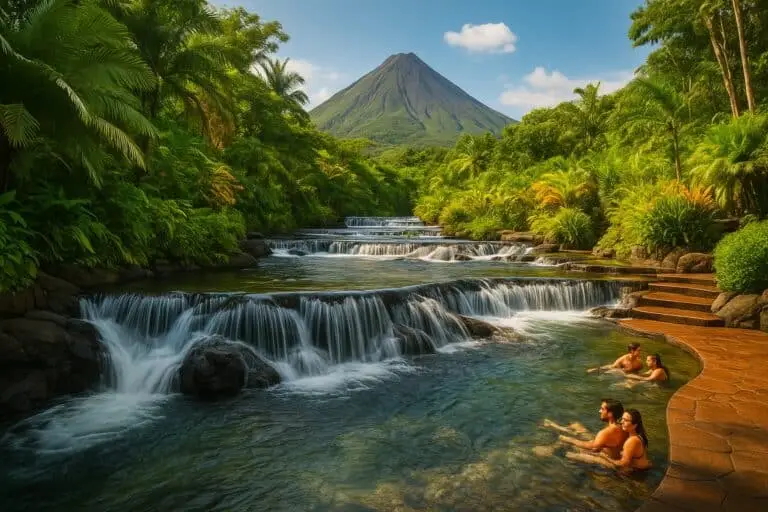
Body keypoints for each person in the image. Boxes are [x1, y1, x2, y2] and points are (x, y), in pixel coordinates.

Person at [566, 409, 652, 472]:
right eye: (622, 419)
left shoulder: (632, 441)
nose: (621, 422)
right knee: (594, 449)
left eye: (625, 420)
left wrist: (604, 458)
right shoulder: (637, 435)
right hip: (639, 467)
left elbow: (623, 464)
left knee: (572, 455)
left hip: (635, 472)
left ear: (635, 425)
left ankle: (567, 446)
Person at [543, 398, 628, 459]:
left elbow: (590, 447)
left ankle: (550, 449)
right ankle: (561, 429)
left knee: (566, 444)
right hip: (602, 448)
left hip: (603, 455)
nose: (599, 411)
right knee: (576, 425)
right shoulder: (622, 426)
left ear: (610, 414)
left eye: (602, 409)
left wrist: (570, 440)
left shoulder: (606, 432)